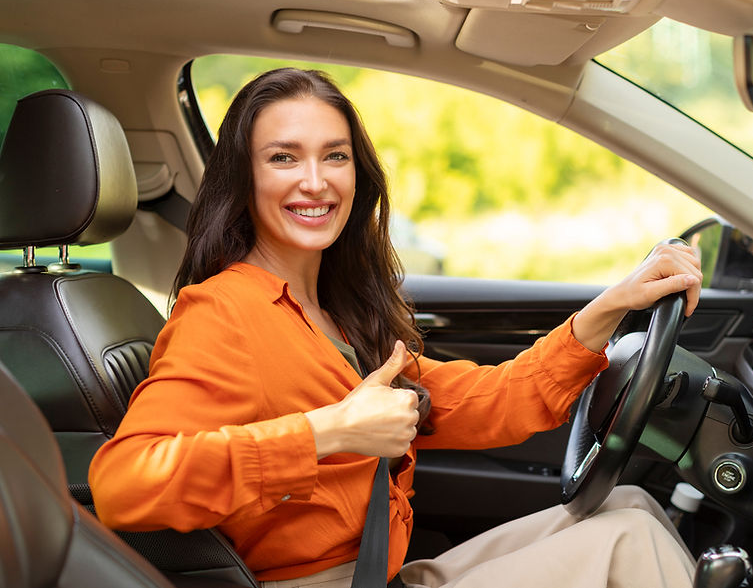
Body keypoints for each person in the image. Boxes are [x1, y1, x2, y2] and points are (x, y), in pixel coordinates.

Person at [88, 68, 703, 588]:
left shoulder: (341, 316)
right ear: (243, 180)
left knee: (630, 505)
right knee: (626, 541)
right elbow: (124, 485)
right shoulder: (222, 313)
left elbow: (495, 404)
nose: (315, 180)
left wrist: (609, 309)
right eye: (283, 158)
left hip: (380, 573)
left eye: (335, 155)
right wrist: (327, 431)